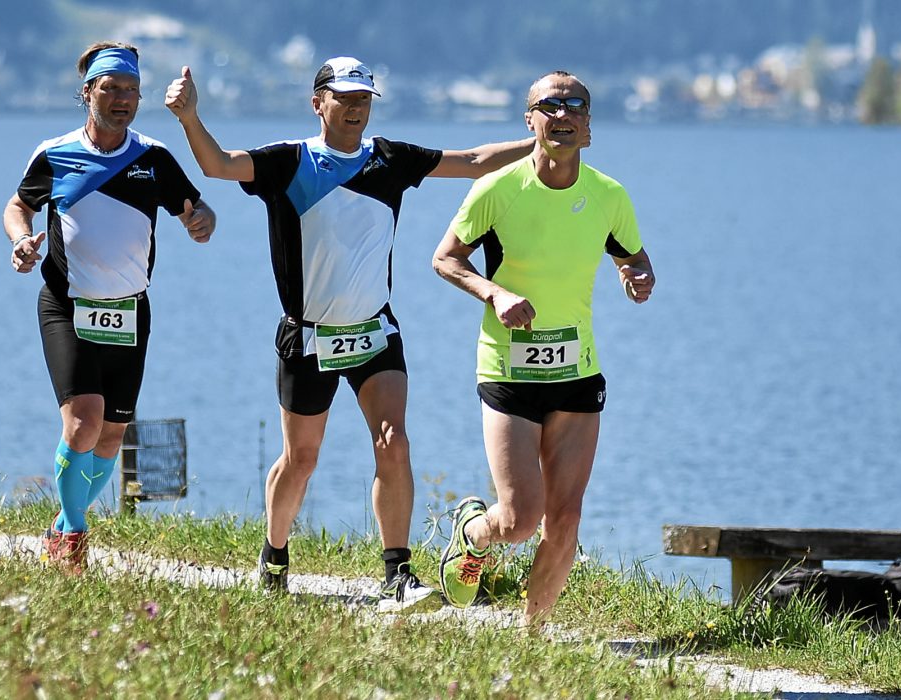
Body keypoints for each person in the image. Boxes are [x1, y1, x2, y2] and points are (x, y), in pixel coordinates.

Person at [163, 56, 533, 607]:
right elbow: (218, 166)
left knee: (394, 442)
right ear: (319, 103)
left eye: (364, 99)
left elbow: (476, 160)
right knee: (301, 459)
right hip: (308, 337)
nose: (356, 108)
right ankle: (275, 554)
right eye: (345, 98)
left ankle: (396, 572)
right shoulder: (288, 162)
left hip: (376, 334)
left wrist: (544, 142)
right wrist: (190, 118)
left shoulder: (390, 159)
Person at [431, 70, 655, 625]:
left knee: (567, 519)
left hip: (578, 371)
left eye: (575, 105)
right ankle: (475, 532)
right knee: (522, 519)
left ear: (588, 128)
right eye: (548, 105)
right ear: (529, 120)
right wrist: (494, 291)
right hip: (508, 369)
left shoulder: (608, 196)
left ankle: (532, 637)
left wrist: (638, 276)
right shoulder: (497, 190)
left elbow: (633, 255)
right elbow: (445, 258)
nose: (562, 114)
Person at [2, 42, 217, 573]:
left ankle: (60, 522)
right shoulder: (55, 153)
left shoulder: (153, 158)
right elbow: (18, 206)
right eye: (111, 88)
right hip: (66, 305)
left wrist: (202, 221)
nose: (122, 99)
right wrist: (21, 239)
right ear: (88, 93)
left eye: (131, 91)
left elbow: (198, 208)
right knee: (83, 424)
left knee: (113, 435)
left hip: (130, 312)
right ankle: (74, 535)